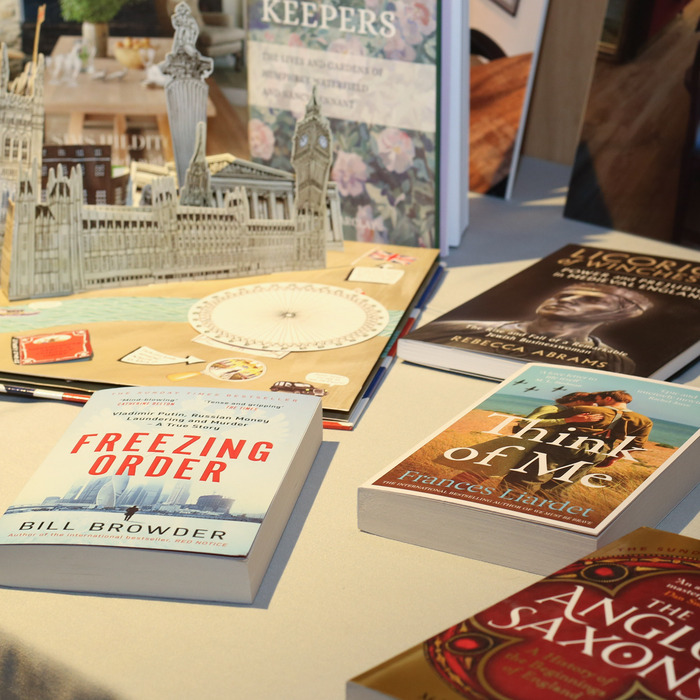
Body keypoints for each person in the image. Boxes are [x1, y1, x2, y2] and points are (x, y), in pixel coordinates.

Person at [410, 283, 653, 374]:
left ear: (621, 313)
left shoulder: (617, 363)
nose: (566, 300)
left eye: (590, 299)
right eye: (564, 294)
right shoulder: (453, 329)